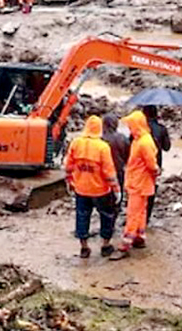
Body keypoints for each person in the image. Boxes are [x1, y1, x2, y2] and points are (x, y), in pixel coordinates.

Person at [65, 115, 120, 258]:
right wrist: (116, 189)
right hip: (100, 190)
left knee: (82, 216)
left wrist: (70, 181)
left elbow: (68, 166)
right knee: (106, 216)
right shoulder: (102, 147)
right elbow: (109, 172)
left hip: (81, 189)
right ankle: (105, 245)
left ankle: (84, 247)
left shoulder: (76, 143)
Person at [113, 110, 159, 258]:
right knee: (141, 211)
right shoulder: (140, 140)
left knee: (133, 213)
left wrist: (155, 171)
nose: (129, 128)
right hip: (139, 182)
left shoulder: (144, 142)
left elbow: (152, 165)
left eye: (131, 125)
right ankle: (139, 237)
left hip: (139, 183)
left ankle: (125, 244)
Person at [141, 105, 171, 222]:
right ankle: (147, 216)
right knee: (151, 189)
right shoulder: (161, 129)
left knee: (138, 190)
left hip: (139, 164)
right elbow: (167, 147)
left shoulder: (139, 129)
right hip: (155, 164)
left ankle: (138, 214)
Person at [102, 113, 131, 198]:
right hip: (119, 169)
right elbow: (128, 155)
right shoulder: (122, 138)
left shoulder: (100, 139)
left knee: (105, 194)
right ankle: (118, 207)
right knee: (119, 192)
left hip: (103, 171)